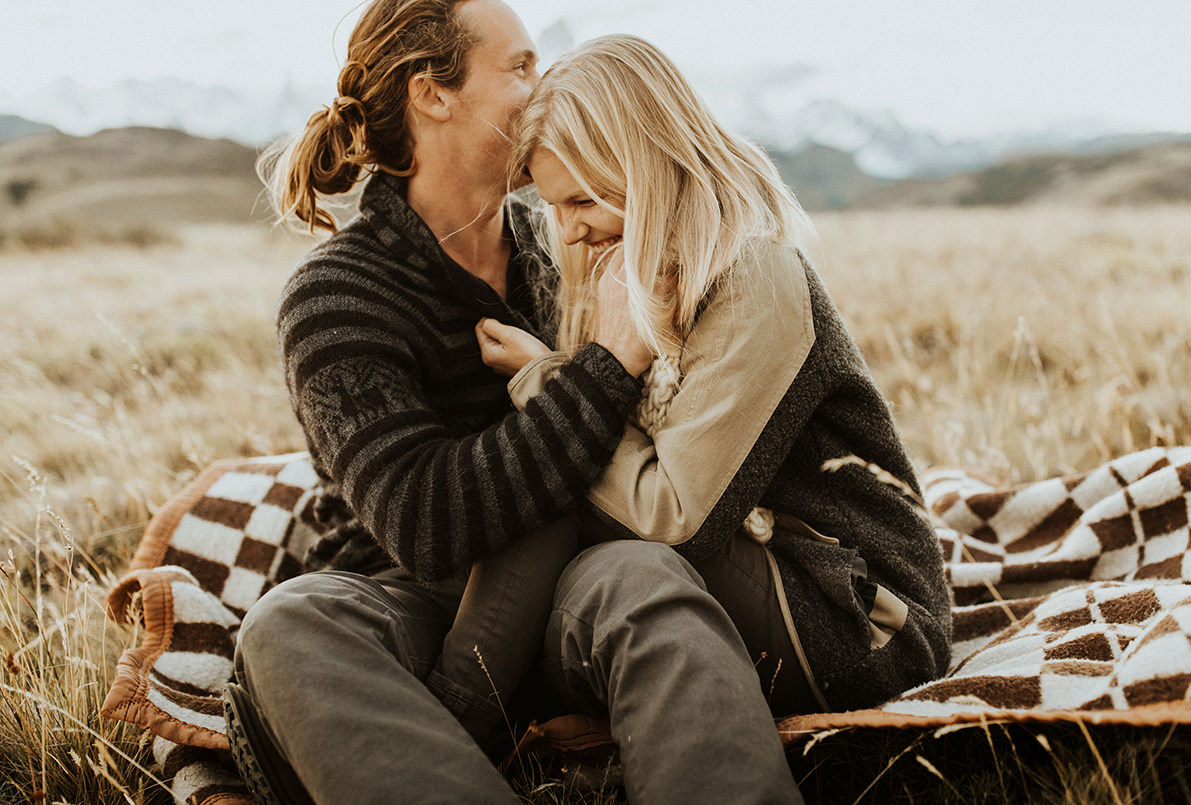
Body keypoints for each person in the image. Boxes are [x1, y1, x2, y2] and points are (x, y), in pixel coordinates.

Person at [225, 0, 816, 802]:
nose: (543, 85)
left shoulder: (571, 241)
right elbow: (423, 519)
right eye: (521, 67)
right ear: (432, 93)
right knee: (290, 623)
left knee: (648, 573)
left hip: (584, 580)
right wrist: (602, 368)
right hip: (423, 605)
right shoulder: (337, 296)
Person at [470, 31, 955, 749]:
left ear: (645, 170)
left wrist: (551, 383)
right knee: (562, 487)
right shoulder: (636, 278)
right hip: (753, 571)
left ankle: (458, 708)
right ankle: (488, 702)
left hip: (853, 617)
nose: (567, 232)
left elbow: (676, 518)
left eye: (582, 201)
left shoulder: (756, 276)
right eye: (554, 207)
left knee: (561, 476)